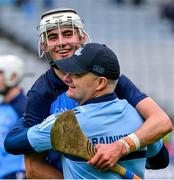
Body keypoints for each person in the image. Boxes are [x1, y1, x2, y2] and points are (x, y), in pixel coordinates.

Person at [4, 8, 173, 179]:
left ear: (82, 37)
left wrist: (121, 146)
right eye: (53, 37)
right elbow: (33, 169)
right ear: (43, 45)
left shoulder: (114, 80)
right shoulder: (40, 93)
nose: (61, 42)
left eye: (68, 33)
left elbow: (160, 134)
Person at [25, 43, 167, 179]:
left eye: (77, 74)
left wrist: (32, 112)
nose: (67, 78)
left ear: (100, 82)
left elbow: (12, 143)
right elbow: (159, 161)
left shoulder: (64, 121)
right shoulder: (141, 118)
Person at [0, 55, 26, 179]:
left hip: (14, 173)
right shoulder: (3, 106)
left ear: (13, 76)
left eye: (0, 73)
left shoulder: (24, 107)